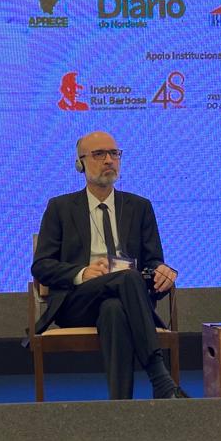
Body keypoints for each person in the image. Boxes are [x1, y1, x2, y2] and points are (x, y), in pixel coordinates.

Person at [31, 130, 187, 400]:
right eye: (99, 154)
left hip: (126, 303)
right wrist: (82, 273)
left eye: (114, 153)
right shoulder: (60, 207)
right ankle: (159, 376)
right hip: (78, 301)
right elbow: (41, 265)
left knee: (114, 308)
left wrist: (163, 271)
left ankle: (120, 406)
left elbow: (153, 261)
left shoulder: (139, 207)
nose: (108, 160)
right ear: (80, 163)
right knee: (128, 277)